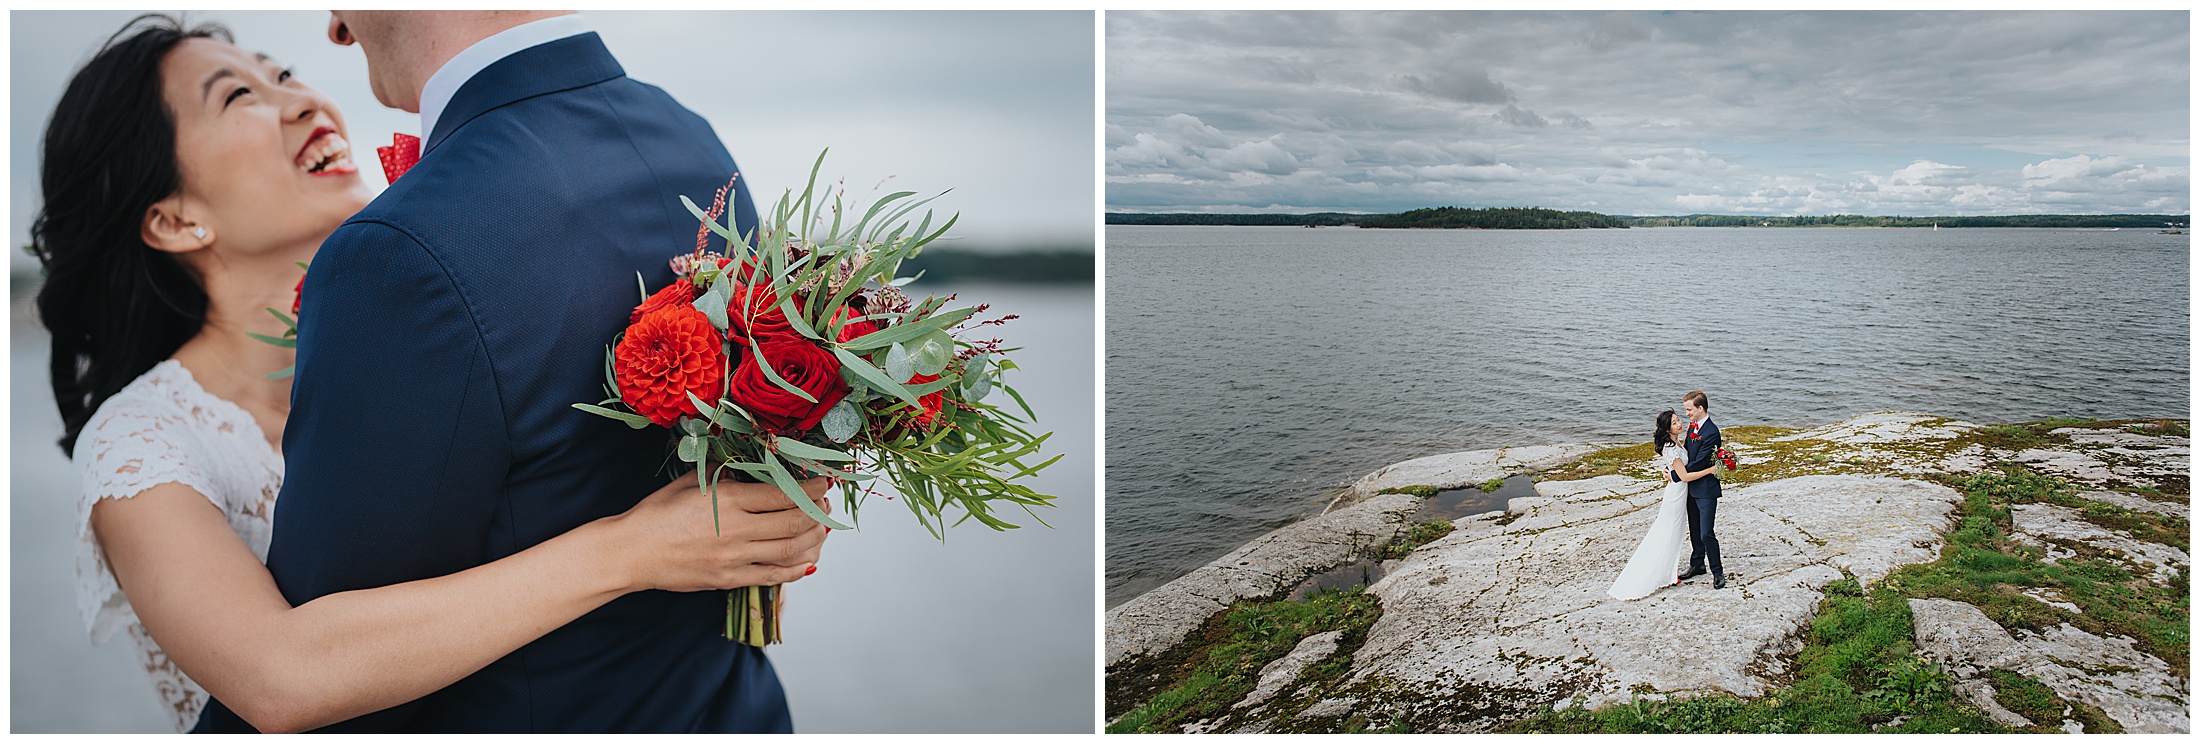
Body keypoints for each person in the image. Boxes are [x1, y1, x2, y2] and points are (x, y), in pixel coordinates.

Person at [32, 14, 823, 734]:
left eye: (281, 73)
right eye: (239, 94)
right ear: (173, 219)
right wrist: (632, 551)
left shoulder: (409, 323)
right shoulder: (139, 444)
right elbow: (277, 683)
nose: (302, 99)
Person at [1605, 410, 1691, 600]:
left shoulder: (1676, 442)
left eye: (1678, 420)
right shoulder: (1670, 447)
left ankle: (1669, 573)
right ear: (1666, 427)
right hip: (1676, 494)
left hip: (1679, 490)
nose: (1679, 423)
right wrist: (1711, 469)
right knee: (1669, 532)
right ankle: (1659, 575)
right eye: (1674, 422)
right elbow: (1684, 475)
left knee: (1674, 533)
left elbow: (1677, 467)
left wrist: (1668, 470)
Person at [1676, 389, 1725, 589]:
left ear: (1700, 408)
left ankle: (1717, 571)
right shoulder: (1693, 426)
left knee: (1706, 533)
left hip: (1706, 489)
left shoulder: (1712, 432)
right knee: (1695, 530)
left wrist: (1675, 474)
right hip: (1691, 487)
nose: (1687, 414)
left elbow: (1700, 462)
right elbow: (1688, 454)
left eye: (1689, 409)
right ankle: (1697, 565)